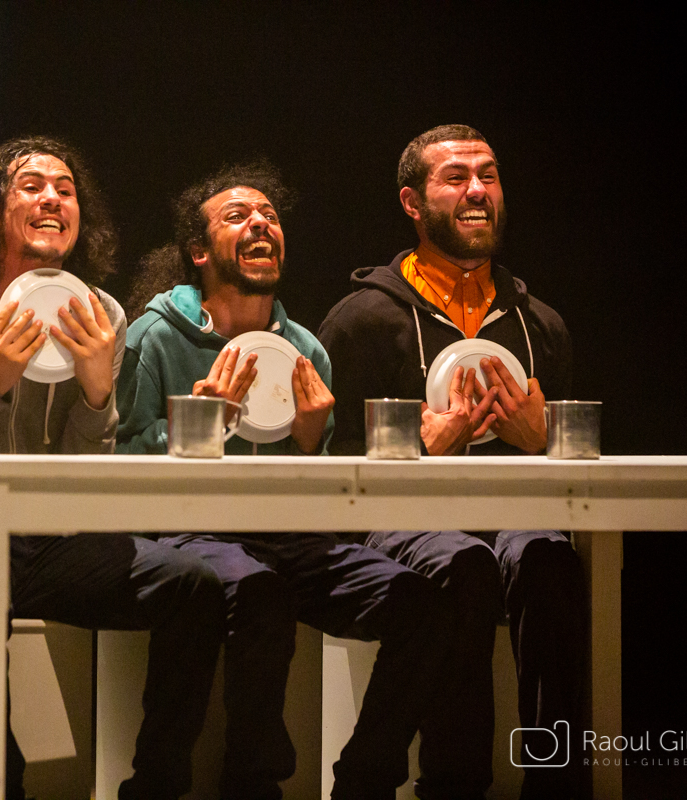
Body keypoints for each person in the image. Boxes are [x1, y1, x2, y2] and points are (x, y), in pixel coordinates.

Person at [117, 161, 453, 800]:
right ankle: (243, 785)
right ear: (198, 250)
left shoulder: (304, 347)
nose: (259, 224)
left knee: (421, 602)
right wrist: (198, 429)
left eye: (268, 215)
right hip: (188, 531)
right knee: (261, 589)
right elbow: (123, 453)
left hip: (289, 536)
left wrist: (309, 441)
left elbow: (318, 482)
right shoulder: (155, 336)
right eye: (237, 216)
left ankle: (362, 780)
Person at [0, 136, 224, 800]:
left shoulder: (99, 313)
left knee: (193, 583)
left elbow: (89, 467)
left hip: (56, 539)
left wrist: (97, 392)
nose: (53, 198)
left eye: (66, 190)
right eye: (32, 186)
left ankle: (155, 787)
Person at [318, 124, 587, 799]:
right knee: (462, 565)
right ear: (413, 203)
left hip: (515, 519)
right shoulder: (360, 321)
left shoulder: (540, 323)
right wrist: (415, 450)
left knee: (551, 561)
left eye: (489, 175)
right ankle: (453, 785)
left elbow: (583, 454)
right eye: (457, 177)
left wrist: (543, 438)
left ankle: (558, 784)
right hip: (401, 525)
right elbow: (325, 461)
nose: (477, 190)